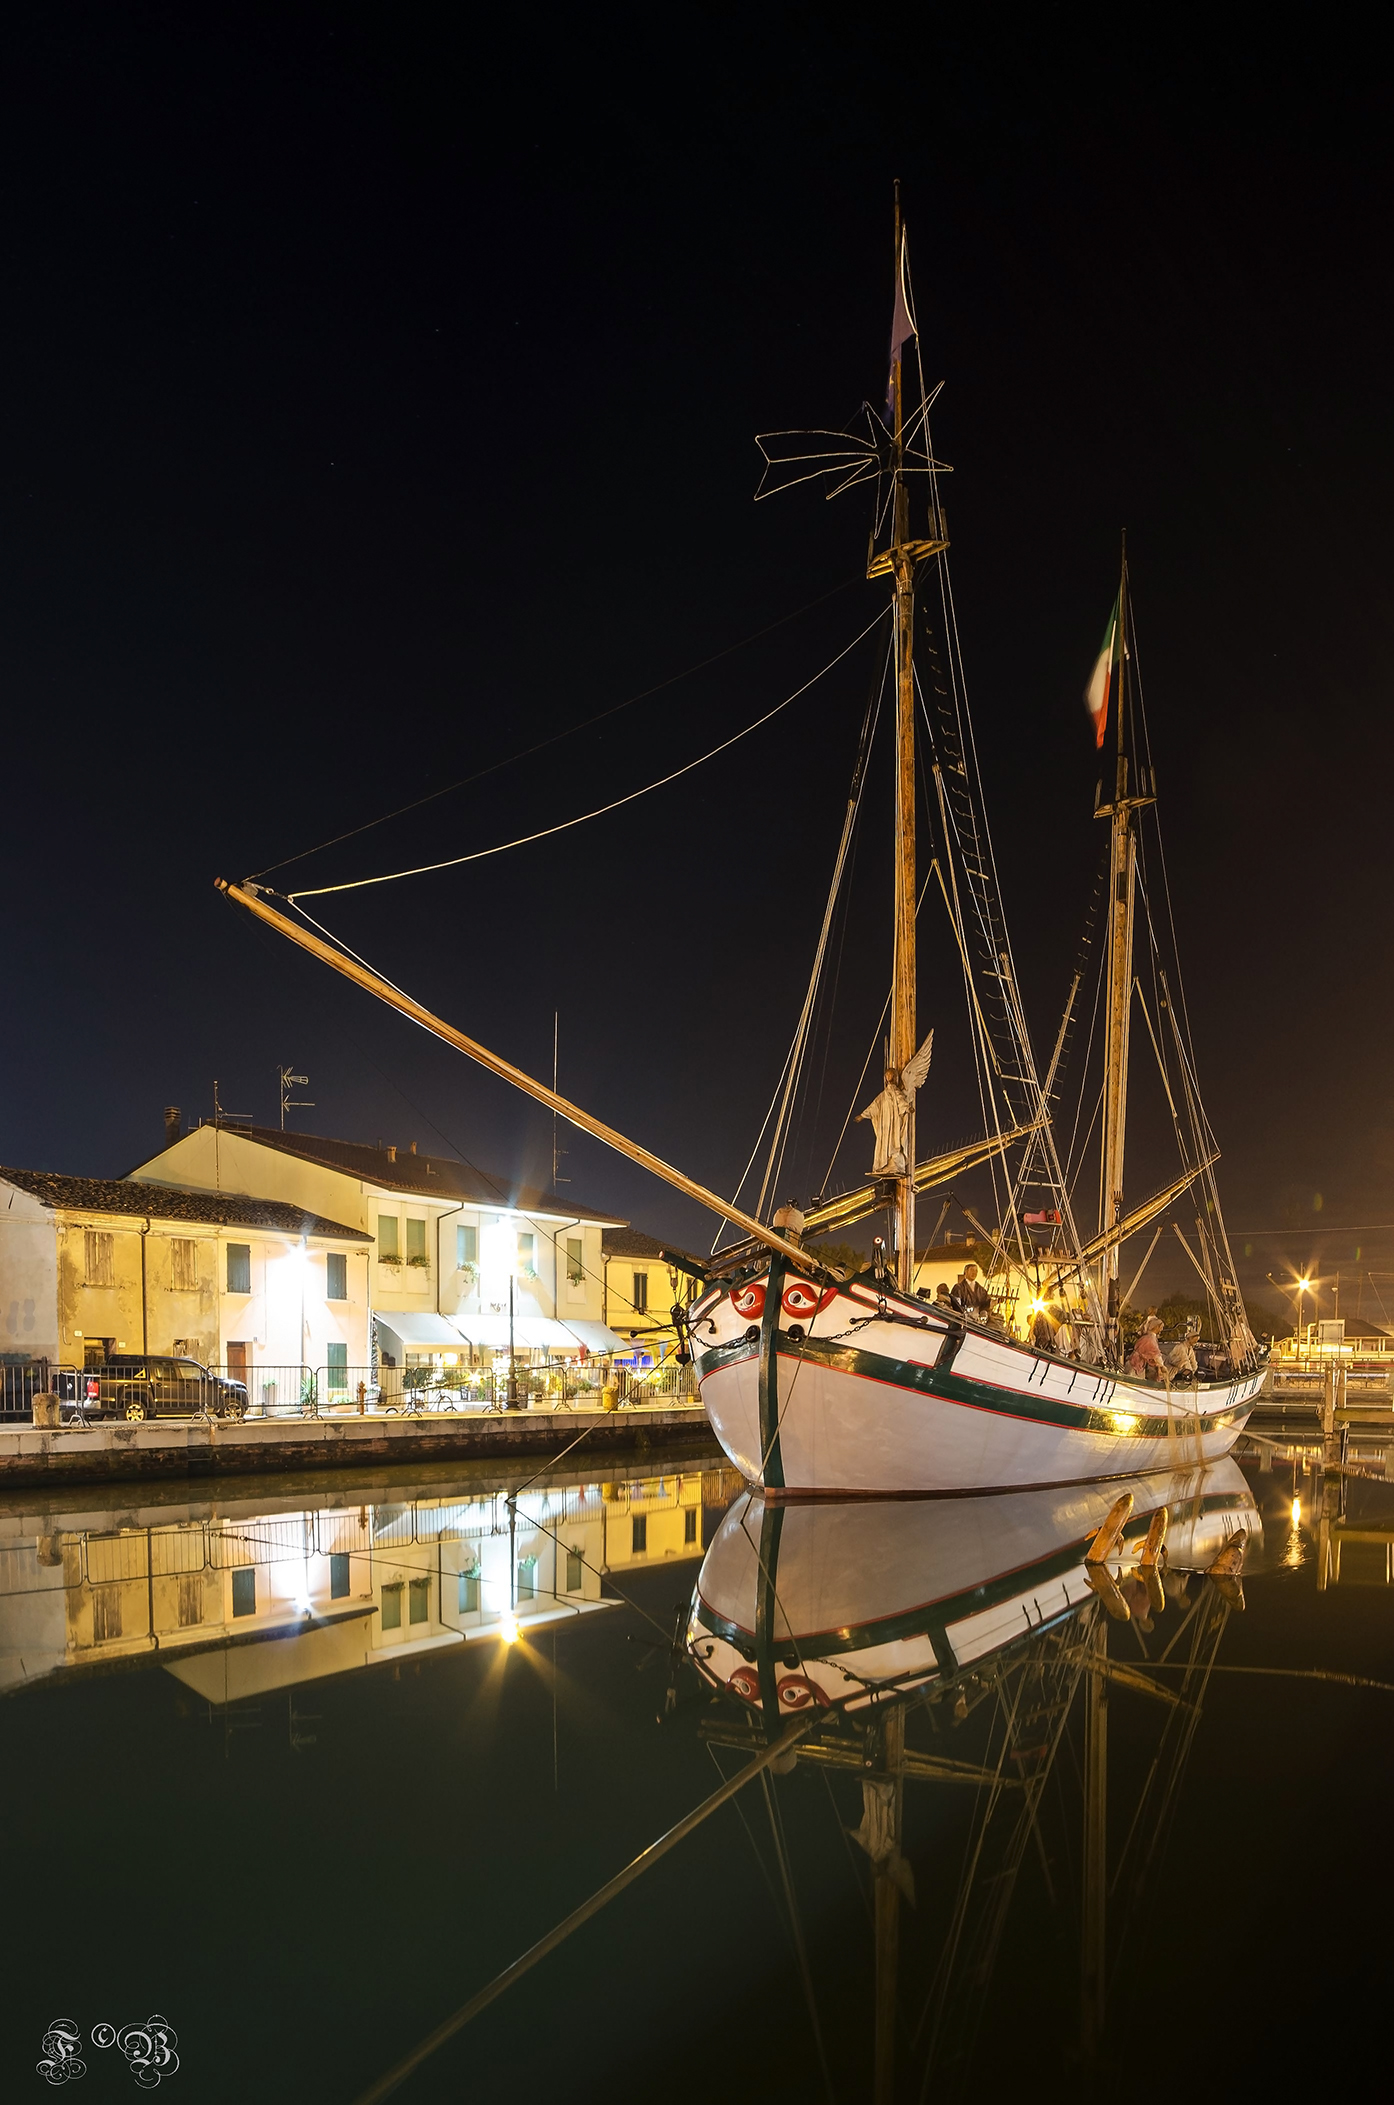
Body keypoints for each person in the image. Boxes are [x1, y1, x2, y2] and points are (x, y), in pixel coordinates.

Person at [1126, 1315, 1166, 1381]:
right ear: (1156, 1327)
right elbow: (1155, 1354)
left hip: (1138, 1366)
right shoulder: (1149, 1339)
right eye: (1160, 1327)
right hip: (1134, 1366)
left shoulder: (1150, 1337)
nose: (1161, 1329)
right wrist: (1162, 1366)